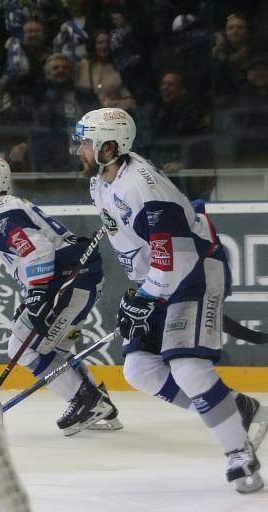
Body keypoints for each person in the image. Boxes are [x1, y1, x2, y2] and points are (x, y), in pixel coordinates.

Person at [73, 107, 268, 493]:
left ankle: (239, 455)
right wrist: (144, 295)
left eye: (85, 142)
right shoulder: (99, 182)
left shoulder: (142, 187)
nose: (78, 150)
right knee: (139, 371)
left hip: (196, 271)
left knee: (187, 367)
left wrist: (145, 297)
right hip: (163, 280)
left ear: (108, 147)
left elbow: (172, 257)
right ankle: (237, 408)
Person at [0, 155, 122, 436]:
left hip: (69, 280)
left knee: (21, 345)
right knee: (51, 348)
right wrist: (34, 296)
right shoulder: (6, 208)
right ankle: (97, 399)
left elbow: (38, 252)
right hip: (79, 279)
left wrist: (36, 295)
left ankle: (86, 399)